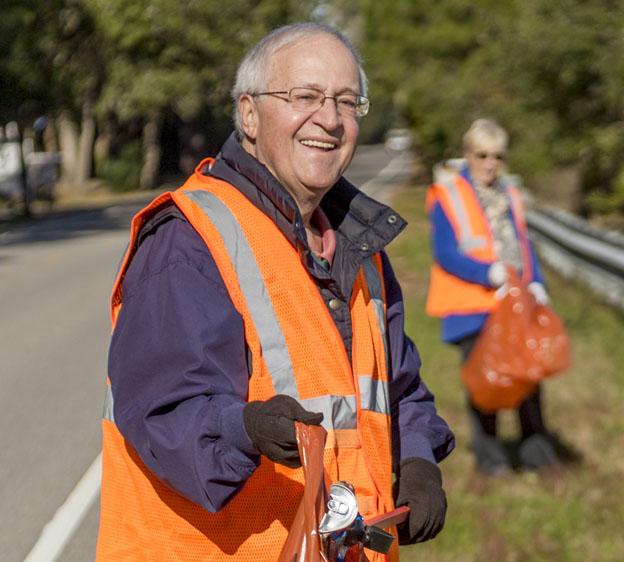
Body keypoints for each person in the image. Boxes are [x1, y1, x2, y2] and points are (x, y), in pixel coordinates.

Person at [96, 22, 455, 561]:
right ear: (248, 114)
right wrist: (241, 430)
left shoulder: (362, 251)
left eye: (346, 101)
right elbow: (162, 411)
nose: (329, 119)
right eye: (304, 97)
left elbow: (397, 391)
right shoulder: (191, 238)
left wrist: (419, 460)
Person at [425, 118, 567, 476]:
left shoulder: (509, 195)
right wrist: (486, 273)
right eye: (483, 155)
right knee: (485, 384)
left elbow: (522, 244)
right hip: (473, 307)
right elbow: (446, 252)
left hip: (514, 303)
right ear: (468, 154)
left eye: (498, 156)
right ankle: (492, 462)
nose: (490, 163)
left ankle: (538, 454)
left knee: (528, 379)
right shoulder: (449, 196)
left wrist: (536, 283)